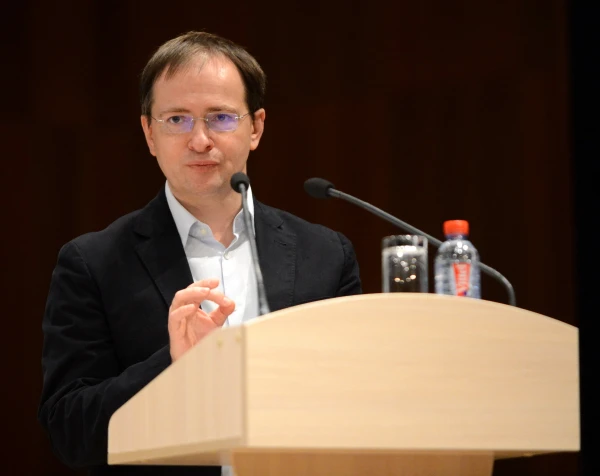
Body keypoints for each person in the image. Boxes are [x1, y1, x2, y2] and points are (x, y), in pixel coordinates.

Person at [37, 31, 362, 476]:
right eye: (177, 119)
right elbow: (69, 432)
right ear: (149, 133)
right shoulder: (93, 263)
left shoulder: (325, 255)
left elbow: (356, 403)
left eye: (221, 118)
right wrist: (171, 363)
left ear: (256, 128)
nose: (200, 140)